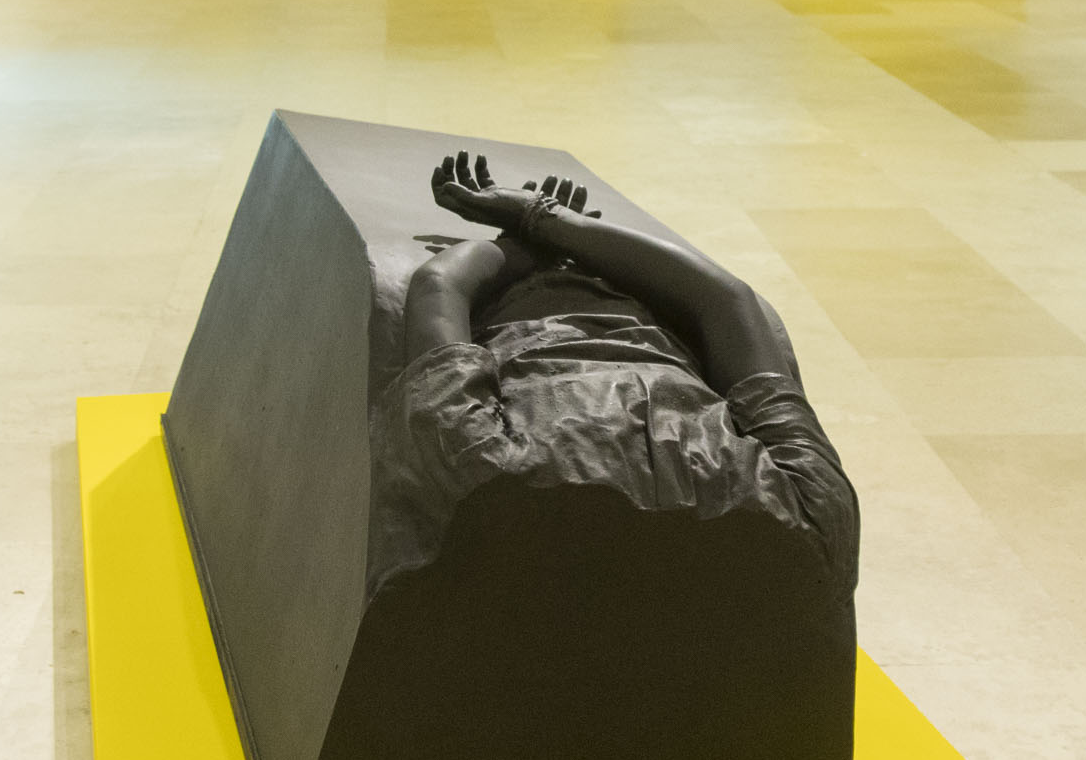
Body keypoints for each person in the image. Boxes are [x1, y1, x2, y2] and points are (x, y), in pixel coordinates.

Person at [364, 151, 858, 596]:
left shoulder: (479, 469)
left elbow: (438, 283)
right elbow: (725, 301)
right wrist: (547, 221)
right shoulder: (805, 512)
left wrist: (529, 243)